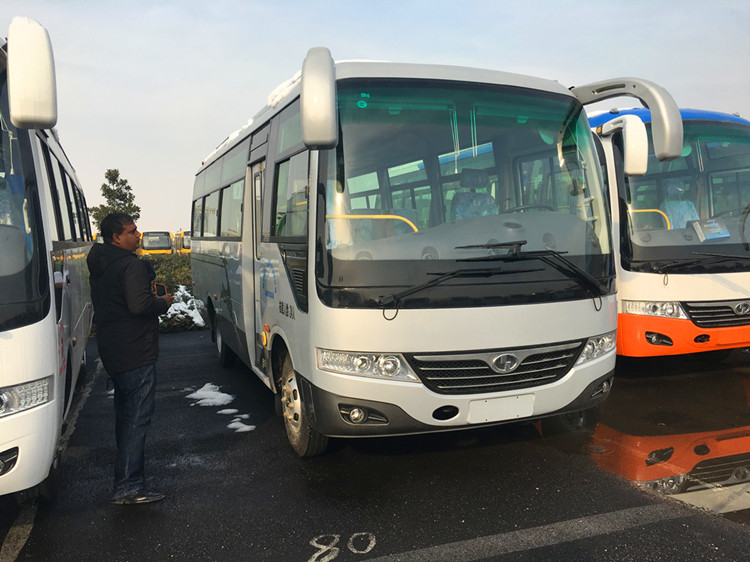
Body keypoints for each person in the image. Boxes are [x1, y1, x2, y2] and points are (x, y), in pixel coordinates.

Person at [87, 212, 175, 505]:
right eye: (132, 231)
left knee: (125, 416)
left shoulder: (101, 263)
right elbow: (140, 305)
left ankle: (126, 481)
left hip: (113, 348)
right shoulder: (131, 265)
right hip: (136, 349)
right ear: (116, 238)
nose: (138, 235)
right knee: (136, 418)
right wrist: (163, 302)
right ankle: (129, 486)